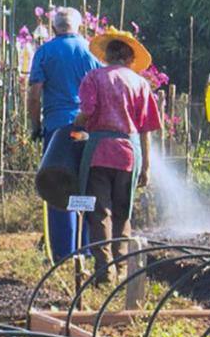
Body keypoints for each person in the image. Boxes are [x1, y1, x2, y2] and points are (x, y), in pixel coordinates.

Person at [68, 29, 161, 284]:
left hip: (99, 152)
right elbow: (146, 130)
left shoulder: (94, 78)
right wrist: (147, 167)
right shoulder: (140, 84)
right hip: (129, 154)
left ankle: (104, 271)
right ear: (130, 58)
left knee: (100, 213)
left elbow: (86, 114)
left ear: (108, 55)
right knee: (123, 212)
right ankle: (121, 270)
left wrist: (73, 128)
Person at [27, 7, 100, 261]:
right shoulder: (91, 51)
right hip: (83, 133)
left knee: (57, 185)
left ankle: (63, 253)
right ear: (78, 26)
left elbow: (34, 95)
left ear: (55, 27)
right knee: (84, 184)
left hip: (57, 132)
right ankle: (87, 248)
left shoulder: (45, 52)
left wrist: (36, 125)